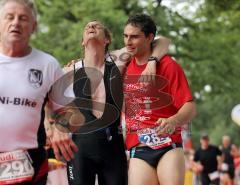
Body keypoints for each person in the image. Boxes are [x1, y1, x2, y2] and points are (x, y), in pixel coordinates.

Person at [50, 20, 170, 185]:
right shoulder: (69, 71)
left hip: (112, 147)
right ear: (82, 42)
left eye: (97, 26)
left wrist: (152, 61)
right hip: (80, 149)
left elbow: (163, 40)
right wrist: (53, 128)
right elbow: (46, 100)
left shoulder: (119, 59)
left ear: (107, 40)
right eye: (87, 27)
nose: (91, 27)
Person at [123, 14, 196, 185]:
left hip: (168, 145)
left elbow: (190, 107)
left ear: (149, 38)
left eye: (134, 37)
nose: (128, 41)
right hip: (138, 148)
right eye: (125, 36)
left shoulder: (169, 65)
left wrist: (173, 120)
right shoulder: (122, 64)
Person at [0, 0, 67, 184]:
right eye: (9, 17)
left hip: (31, 164)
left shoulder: (48, 65)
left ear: (34, 26)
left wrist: (62, 126)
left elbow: (71, 112)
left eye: (22, 18)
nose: (15, 23)